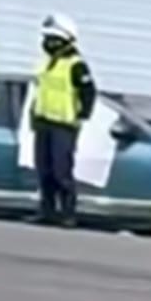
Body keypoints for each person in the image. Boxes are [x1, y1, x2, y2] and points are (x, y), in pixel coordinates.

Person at [31, 13, 96, 226]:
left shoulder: (76, 65)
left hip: (64, 125)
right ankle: (47, 211)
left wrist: (82, 115)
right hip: (44, 122)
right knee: (44, 170)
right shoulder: (48, 62)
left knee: (62, 172)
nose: (47, 43)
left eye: (52, 38)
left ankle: (68, 213)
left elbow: (88, 92)